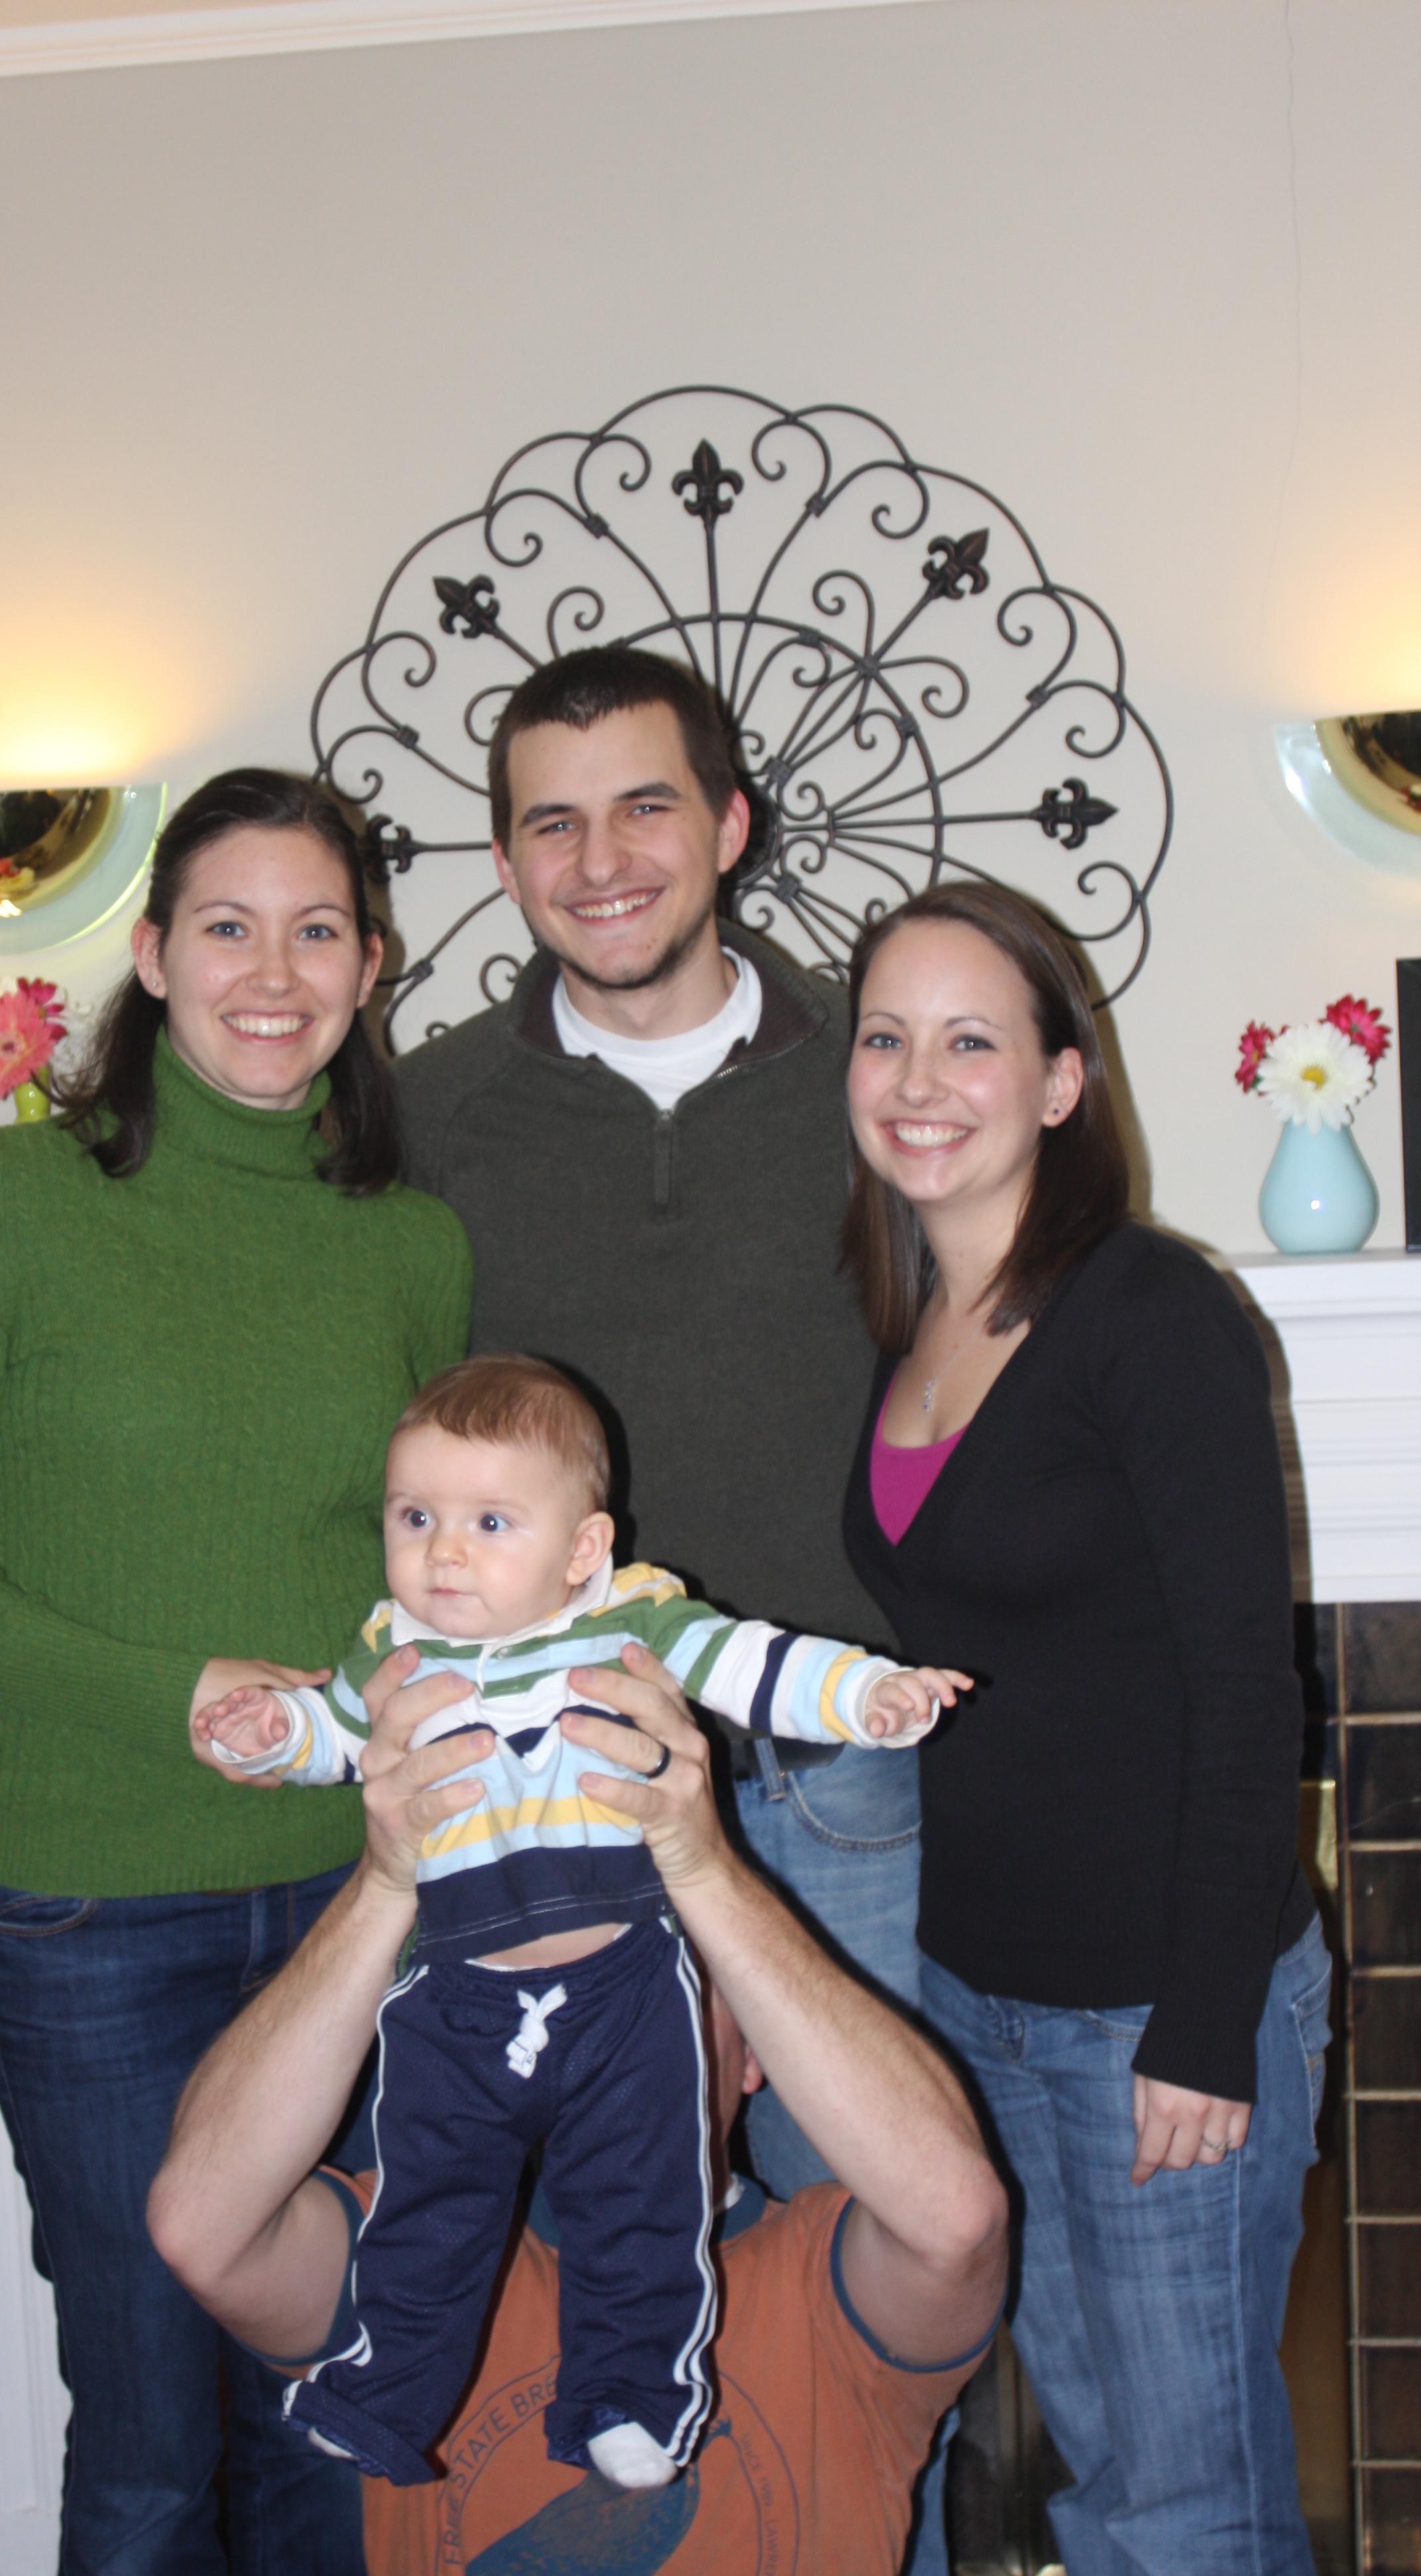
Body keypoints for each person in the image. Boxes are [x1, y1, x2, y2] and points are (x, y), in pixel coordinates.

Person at [0, 771, 472, 2576]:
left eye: (318, 931)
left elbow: (426, 1569)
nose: (275, 972)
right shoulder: (10, 1202)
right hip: (98, 1917)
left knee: (326, 2425)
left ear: (370, 965)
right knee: (144, 2445)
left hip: (356, 1908)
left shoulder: (409, 1241)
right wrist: (173, 1694)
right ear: (155, 952)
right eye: (229, 926)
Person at [190, 1354, 962, 2494]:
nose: (444, 1553)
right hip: (453, 1986)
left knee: (640, 2195)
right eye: (415, 1517)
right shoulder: (392, 1648)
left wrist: (864, 1695)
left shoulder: (627, 1624)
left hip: (623, 1978)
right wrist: (273, 1732)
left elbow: (752, 1664)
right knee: (427, 2199)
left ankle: (634, 2395)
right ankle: (382, 2387)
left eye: (490, 1522)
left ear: (582, 1549)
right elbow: (332, 1735)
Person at [835, 879, 1332, 2575]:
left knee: (1191, 2503)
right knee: (1098, 2464)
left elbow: (1248, 1689)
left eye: (971, 1041)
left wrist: (1201, 2023)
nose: (920, 1080)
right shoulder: (910, 1320)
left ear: (1062, 1083)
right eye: (886, 1038)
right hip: (980, 1991)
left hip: (1154, 2010)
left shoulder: (1151, 1312)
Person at [148, 1635, 1008, 2575]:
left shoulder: (824, 2292)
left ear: (759, 2049)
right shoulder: (428, 2256)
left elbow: (955, 2220)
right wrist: (392, 1880)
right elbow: (203, 2228)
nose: (587, 2017)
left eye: (662, 1974)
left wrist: (704, 1871)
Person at [394, 645, 917, 2145]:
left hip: (836, 1773)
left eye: (645, 807)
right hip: (552, 1785)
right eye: (554, 824)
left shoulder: (879, 1075)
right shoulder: (430, 1114)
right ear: (507, 864)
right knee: (604, 2224)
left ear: (729, 824)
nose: (602, 861)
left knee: (863, 2204)